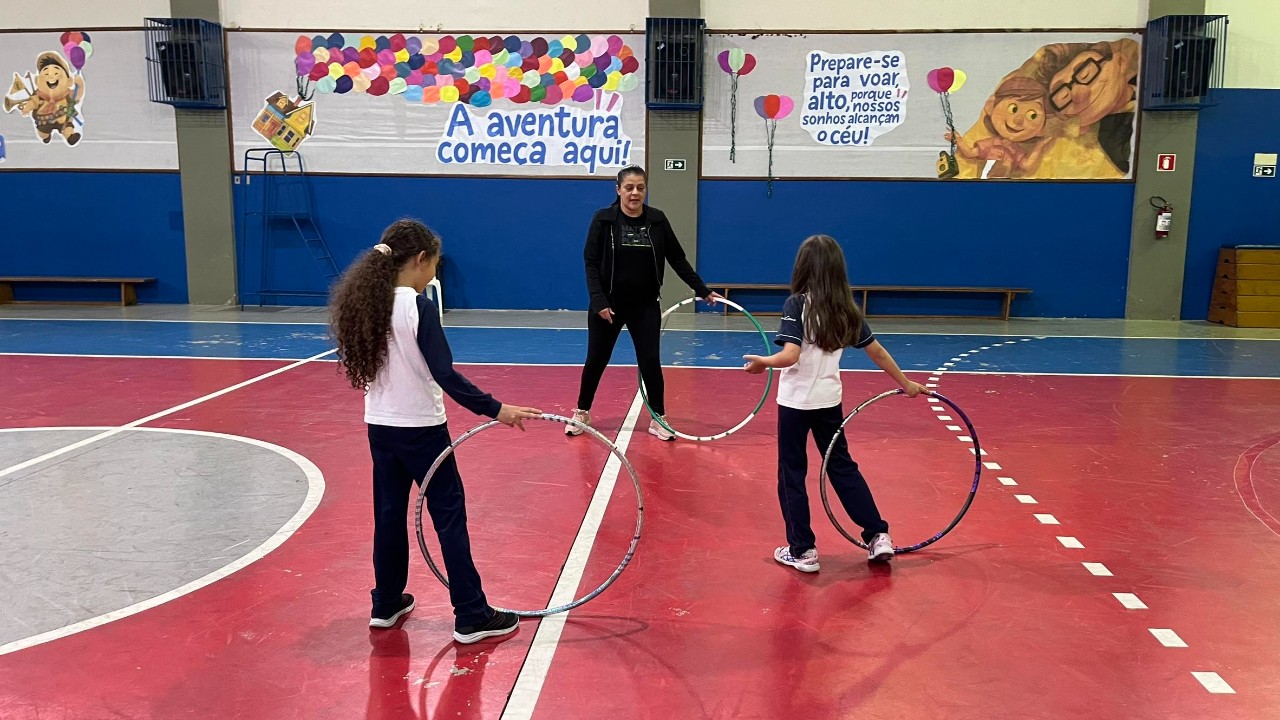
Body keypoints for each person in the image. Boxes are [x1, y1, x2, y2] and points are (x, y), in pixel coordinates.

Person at [330, 218, 541, 642]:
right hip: (422, 431)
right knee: (448, 517)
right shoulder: (418, 308)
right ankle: (472, 614)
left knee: (388, 515)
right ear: (421, 260)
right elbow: (444, 373)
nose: (432, 275)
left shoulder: (368, 303)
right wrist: (496, 409)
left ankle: (386, 602)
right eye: (434, 266)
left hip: (380, 427)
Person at [743, 235, 929, 572]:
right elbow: (876, 351)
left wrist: (763, 363)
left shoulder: (797, 304)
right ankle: (877, 536)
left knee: (791, 473)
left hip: (796, 404)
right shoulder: (846, 309)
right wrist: (906, 384)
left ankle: (803, 550)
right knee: (842, 467)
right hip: (829, 403)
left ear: (803, 267)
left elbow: (791, 355)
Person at [568, 164, 722, 441]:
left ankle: (658, 418)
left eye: (640, 187)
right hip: (608, 307)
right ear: (618, 190)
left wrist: (702, 289)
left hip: (645, 306)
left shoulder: (657, 220)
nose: (635, 193)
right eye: (629, 187)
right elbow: (590, 263)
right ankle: (582, 412)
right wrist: (598, 301)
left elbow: (677, 258)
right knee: (596, 360)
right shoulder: (603, 219)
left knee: (650, 360)